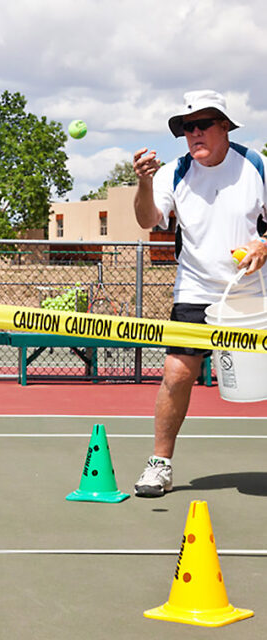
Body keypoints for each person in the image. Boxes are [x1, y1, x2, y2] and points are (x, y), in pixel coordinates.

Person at [132, 90, 267, 497]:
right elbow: (148, 220)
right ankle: (160, 464)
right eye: (187, 128)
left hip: (253, 293)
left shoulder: (256, 166)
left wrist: (265, 244)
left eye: (202, 124)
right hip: (195, 290)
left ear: (224, 125)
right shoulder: (174, 173)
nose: (194, 134)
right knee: (176, 374)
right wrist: (143, 182)